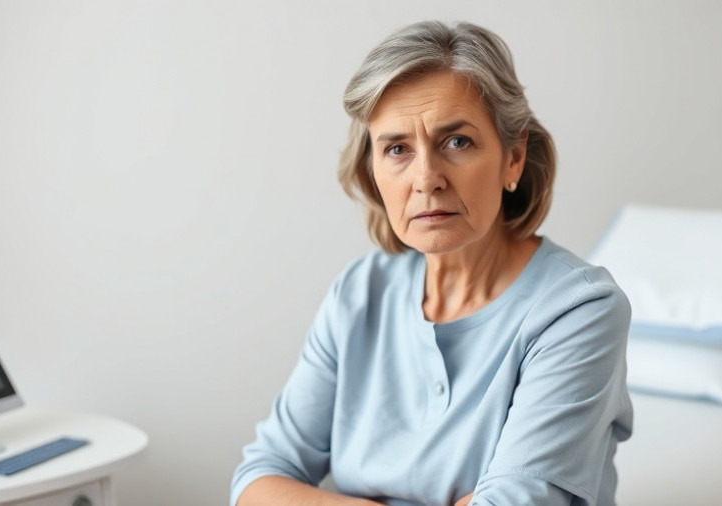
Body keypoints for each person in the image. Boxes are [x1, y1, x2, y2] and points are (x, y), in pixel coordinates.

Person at [231, 20, 632, 506]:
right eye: (397, 149)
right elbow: (257, 482)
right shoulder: (359, 293)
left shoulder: (579, 310)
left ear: (513, 158)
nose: (426, 179)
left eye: (456, 142)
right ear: (373, 171)